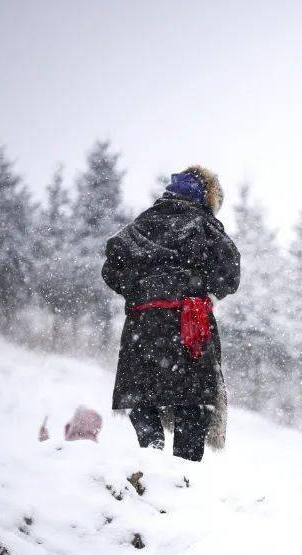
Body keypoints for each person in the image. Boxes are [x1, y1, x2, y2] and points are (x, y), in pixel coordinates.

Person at [102, 166, 240, 462]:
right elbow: (230, 274)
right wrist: (199, 288)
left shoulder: (142, 224)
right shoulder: (204, 225)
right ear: (208, 197)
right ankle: (183, 476)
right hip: (188, 325)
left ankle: (150, 459)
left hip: (142, 324)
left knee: (143, 396)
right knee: (192, 403)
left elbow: (112, 266)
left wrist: (142, 291)